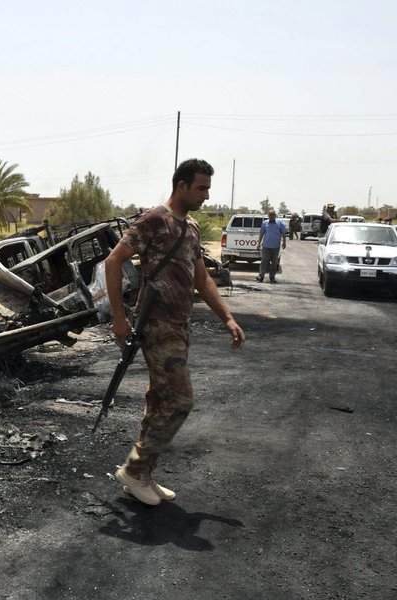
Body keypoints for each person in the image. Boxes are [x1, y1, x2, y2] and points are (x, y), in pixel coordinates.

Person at [103, 159, 245, 506]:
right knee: (180, 400)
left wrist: (227, 317)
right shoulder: (155, 220)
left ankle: (142, 475)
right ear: (182, 185)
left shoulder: (192, 228)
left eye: (208, 188)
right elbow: (112, 261)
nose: (207, 195)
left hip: (180, 325)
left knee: (159, 400)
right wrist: (119, 318)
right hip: (156, 324)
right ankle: (135, 470)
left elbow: (202, 279)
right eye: (201, 188)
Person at [256, 210, 287, 283]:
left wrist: (284, 242)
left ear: (275, 215)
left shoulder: (279, 223)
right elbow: (261, 234)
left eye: (273, 215)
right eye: (270, 215)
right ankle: (261, 276)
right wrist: (258, 243)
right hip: (266, 246)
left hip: (275, 247)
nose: (271, 216)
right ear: (268, 216)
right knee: (264, 261)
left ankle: (272, 277)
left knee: (274, 263)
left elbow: (284, 233)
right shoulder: (265, 223)